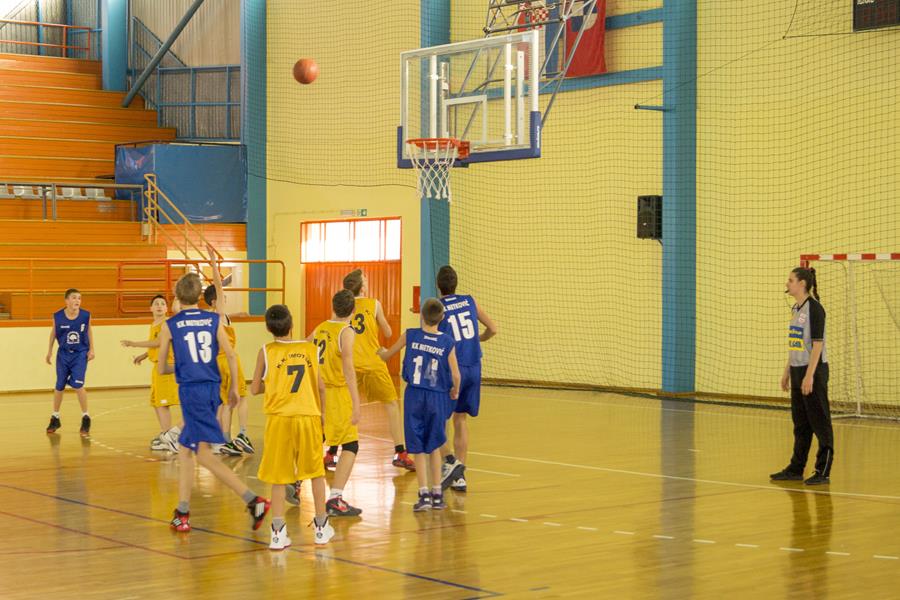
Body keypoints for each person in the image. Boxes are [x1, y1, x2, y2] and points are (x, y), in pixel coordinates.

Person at [157, 271, 270, 532]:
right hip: (212, 388)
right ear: (199, 295)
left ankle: (253, 500)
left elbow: (162, 368)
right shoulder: (214, 320)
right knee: (186, 450)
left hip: (191, 392)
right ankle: (182, 511)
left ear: (176, 296)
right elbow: (229, 355)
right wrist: (233, 388)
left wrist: (183, 366)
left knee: (204, 455)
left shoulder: (170, 325)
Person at [250, 304, 335, 549]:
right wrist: (323, 415)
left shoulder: (265, 351)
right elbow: (320, 387)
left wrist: (274, 384)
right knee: (316, 473)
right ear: (292, 325)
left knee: (278, 477)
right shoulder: (310, 349)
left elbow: (254, 388)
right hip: (308, 416)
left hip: (279, 419)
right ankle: (321, 528)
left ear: (268, 329)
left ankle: (277, 534)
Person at [378, 298, 460, 511]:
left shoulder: (410, 335)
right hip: (436, 396)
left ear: (421, 315)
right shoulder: (447, 342)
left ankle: (423, 494)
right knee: (434, 446)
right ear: (442, 318)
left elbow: (387, 355)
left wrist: (380, 352)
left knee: (419, 447)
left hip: (414, 395)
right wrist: (455, 390)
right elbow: (456, 375)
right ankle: (437, 494)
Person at [434, 265, 498, 492]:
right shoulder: (470, 301)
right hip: (474, 366)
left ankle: (449, 464)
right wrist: (477, 339)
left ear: (438, 286)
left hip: (453, 368)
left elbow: (433, 340)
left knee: (439, 419)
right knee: (460, 420)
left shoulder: (439, 307)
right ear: (456, 283)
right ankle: (460, 477)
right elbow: (493, 328)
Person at [343, 269, 414, 470]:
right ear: (362, 287)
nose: (367, 281)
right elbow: (388, 332)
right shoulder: (374, 304)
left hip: (350, 363)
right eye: (365, 279)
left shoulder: (344, 306)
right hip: (373, 362)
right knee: (391, 404)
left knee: (345, 407)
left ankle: (330, 453)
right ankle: (400, 452)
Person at [771, 266, 833, 486]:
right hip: (798, 371)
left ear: (802, 284)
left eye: (790, 280)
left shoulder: (815, 309)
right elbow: (796, 344)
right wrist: (787, 371)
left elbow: (817, 345)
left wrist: (809, 376)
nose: (787, 284)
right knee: (801, 424)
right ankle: (796, 468)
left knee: (820, 422)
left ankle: (823, 471)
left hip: (813, 371)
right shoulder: (796, 308)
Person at [307, 289, 363, 517]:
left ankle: (294, 482)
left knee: (318, 438)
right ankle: (335, 498)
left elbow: (306, 348)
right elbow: (348, 368)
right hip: (337, 394)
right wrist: (357, 402)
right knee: (350, 445)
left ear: (332, 306)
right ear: (353, 310)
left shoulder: (321, 327)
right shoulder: (346, 331)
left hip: (318, 391)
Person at [204, 245, 254, 456]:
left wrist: (240, 314)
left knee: (225, 404)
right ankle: (242, 433)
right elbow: (218, 284)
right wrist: (213, 262)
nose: (224, 298)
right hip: (228, 361)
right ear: (215, 300)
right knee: (241, 398)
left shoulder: (210, 317)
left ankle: (224, 440)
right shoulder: (219, 312)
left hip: (215, 365)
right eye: (222, 297)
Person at [121, 294, 181, 452]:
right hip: (157, 367)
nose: (159, 305)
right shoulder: (154, 324)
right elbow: (156, 346)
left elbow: (158, 342)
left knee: (163, 404)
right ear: (151, 308)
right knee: (156, 403)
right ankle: (165, 434)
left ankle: (170, 437)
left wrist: (133, 344)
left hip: (167, 367)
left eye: (162, 303)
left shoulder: (166, 323)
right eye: (156, 303)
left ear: (166, 308)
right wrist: (144, 355)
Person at [45, 288, 94, 435]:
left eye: (79, 298)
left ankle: (86, 417)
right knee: (59, 385)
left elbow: (89, 331)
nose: (77, 300)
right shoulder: (58, 316)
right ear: (66, 301)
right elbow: (53, 333)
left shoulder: (85, 315)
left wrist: (92, 349)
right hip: (63, 354)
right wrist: (49, 351)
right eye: (74, 298)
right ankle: (55, 417)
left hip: (80, 354)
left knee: (78, 385)